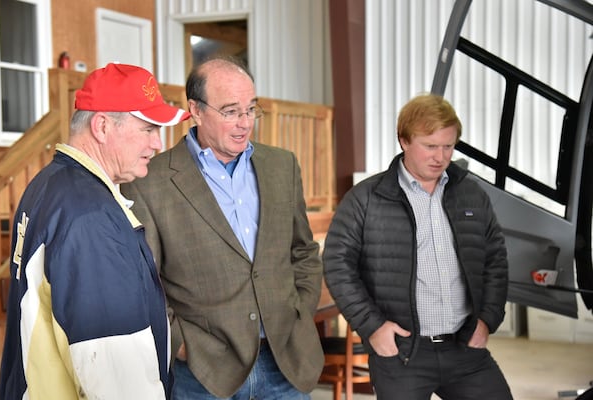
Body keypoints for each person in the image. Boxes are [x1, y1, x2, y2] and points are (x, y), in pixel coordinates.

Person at [120, 56, 324, 400]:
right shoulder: (149, 181)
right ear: (195, 110)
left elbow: (302, 251)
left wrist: (299, 312)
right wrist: (180, 344)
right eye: (230, 111)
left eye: (251, 109)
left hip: (284, 360)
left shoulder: (281, 165)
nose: (244, 122)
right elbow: (142, 282)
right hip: (202, 373)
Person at [0, 63, 191, 400]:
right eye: (148, 129)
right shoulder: (92, 219)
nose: (157, 144)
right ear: (102, 126)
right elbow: (117, 377)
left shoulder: (48, 184)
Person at [322, 93, 514, 400]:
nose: (440, 157)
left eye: (448, 146)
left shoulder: (471, 194)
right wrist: (373, 327)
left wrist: (487, 319)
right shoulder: (365, 199)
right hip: (401, 354)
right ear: (404, 141)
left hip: (465, 348)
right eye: (430, 146)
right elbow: (336, 264)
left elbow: (495, 259)